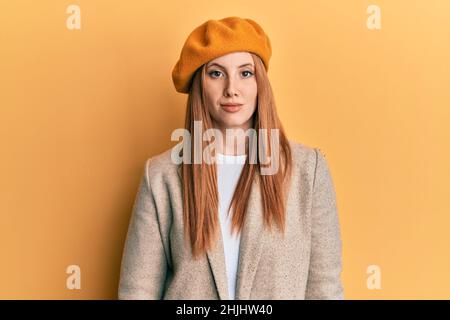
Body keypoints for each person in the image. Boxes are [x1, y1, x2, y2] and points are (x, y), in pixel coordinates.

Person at [118, 16, 344, 300]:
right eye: (216, 73)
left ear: (260, 81)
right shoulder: (161, 176)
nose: (231, 89)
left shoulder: (308, 171)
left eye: (245, 73)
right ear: (200, 84)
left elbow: (325, 290)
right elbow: (137, 291)